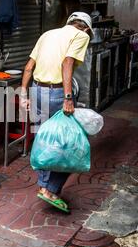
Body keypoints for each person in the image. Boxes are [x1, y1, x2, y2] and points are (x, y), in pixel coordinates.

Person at [19, 12, 93, 213]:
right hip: (57, 94)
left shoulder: (47, 34)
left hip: (36, 91)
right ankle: (50, 189)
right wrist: (68, 97)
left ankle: (44, 185)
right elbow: (67, 63)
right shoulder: (82, 36)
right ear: (86, 28)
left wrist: (24, 95)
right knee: (70, 144)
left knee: (45, 139)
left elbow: (28, 67)